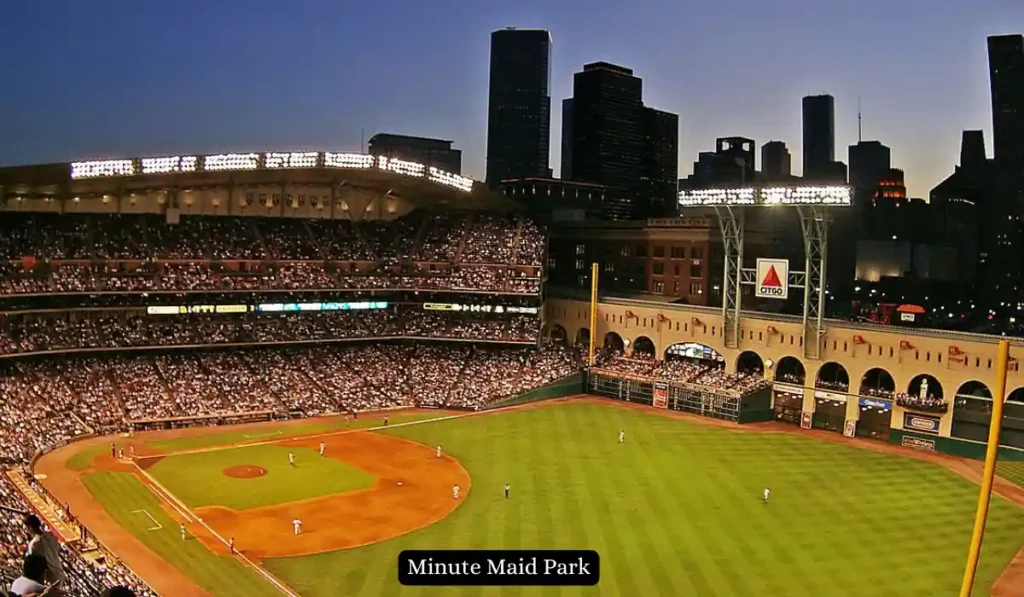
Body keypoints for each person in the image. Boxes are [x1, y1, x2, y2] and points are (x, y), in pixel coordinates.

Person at [23, 515, 64, 586]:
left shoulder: (33, 544)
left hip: (49, 578)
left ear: (30, 528)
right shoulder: (50, 536)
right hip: (59, 571)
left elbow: (32, 565)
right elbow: (57, 548)